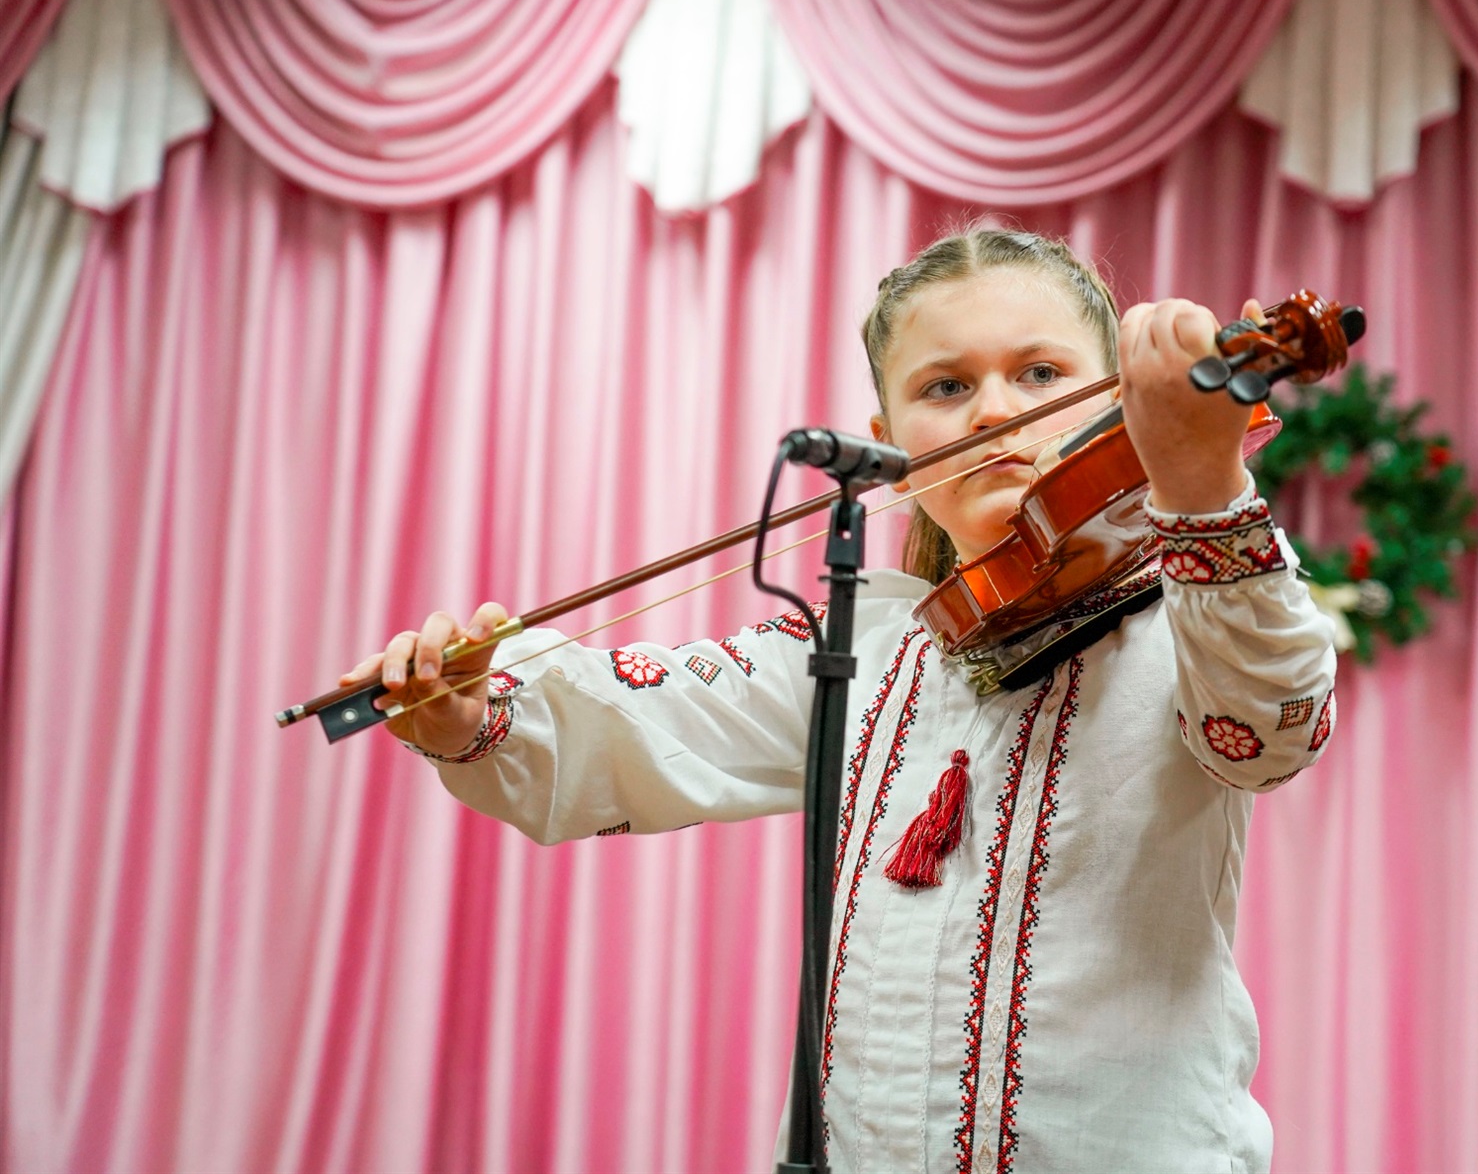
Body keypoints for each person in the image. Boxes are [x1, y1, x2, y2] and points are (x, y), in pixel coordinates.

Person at [346, 230, 1338, 1173]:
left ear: (1116, 402)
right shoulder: (862, 643)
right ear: (888, 443)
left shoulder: (1195, 596)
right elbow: (653, 718)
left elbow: (1268, 728)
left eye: (1039, 376)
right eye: (946, 387)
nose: (995, 412)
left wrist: (1202, 482)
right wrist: (471, 716)